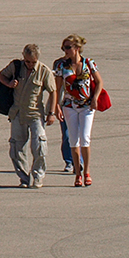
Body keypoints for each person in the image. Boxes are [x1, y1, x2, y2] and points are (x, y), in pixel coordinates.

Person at [0, 44, 56, 188]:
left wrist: (51, 113)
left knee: (39, 147)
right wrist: (9, 83)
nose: (30, 65)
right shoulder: (16, 66)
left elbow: (53, 91)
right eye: (27, 61)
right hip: (17, 113)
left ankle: (38, 176)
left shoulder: (44, 71)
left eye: (33, 62)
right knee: (17, 148)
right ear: (23, 57)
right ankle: (24, 178)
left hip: (35, 114)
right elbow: (1, 75)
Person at [53, 34, 104, 187]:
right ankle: (78, 174)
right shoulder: (61, 66)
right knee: (73, 140)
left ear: (77, 48)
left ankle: (87, 172)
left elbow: (99, 81)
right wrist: (56, 106)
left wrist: (95, 98)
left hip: (87, 106)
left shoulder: (89, 63)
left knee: (85, 138)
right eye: (63, 48)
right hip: (69, 106)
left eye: (68, 47)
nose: (65, 51)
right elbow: (57, 88)